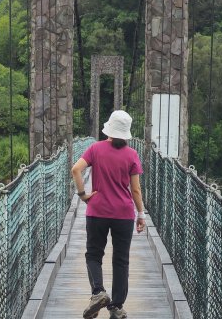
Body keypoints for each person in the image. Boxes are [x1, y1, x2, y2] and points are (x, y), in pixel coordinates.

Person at [71, 110, 146, 319]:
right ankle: (116, 307)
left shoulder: (95, 148)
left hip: (97, 212)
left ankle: (98, 292)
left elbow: (76, 170)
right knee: (121, 260)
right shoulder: (132, 155)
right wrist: (141, 215)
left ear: (109, 130)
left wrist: (83, 195)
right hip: (123, 214)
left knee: (94, 254)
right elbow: (136, 190)